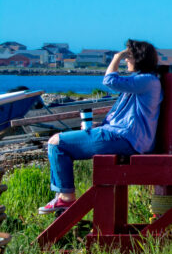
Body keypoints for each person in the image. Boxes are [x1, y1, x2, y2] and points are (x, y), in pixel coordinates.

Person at [38, 40, 163, 214]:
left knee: (56, 143)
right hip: (125, 137)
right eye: (124, 57)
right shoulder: (143, 81)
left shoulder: (146, 80)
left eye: (128, 57)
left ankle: (66, 198)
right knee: (58, 142)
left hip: (124, 139)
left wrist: (116, 57)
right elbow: (126, 116)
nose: (126, 60)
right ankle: (62, 197)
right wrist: (99, 125)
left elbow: (109, 80)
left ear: (138, 58)